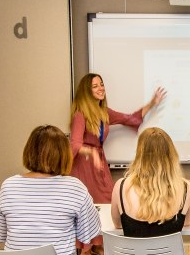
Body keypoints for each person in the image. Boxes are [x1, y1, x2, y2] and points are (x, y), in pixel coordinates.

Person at [0, 124, 102, 255]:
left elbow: (0, 236)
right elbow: (87, 235)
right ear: (64, 155)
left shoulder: (8, 185)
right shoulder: (74, 187)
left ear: (29, 152)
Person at [110, 127, 190, 255]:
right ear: (171, 155)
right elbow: (187, 222)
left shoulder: (120, 186)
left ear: (139, 154)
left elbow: (118, 224)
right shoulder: (185, 188)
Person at [69, 72, 166, 205]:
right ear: (87, 91)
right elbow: (74, 144)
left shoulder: (104, 112)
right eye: (95, 86)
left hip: (99, 163)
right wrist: (92, 153)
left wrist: (152, 103)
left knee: (109, 199)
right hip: (83, 166)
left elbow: (130, 119)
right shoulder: (80, 114)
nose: (101, 88)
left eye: (102, 85)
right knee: (90, 203)